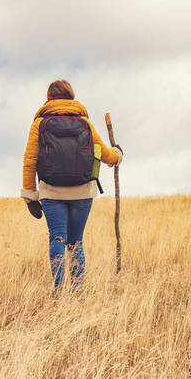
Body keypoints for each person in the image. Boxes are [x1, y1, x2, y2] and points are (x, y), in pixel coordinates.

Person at [21, 80, 123, 290]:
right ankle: (78, 291)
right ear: (72, 96)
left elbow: (30, 161)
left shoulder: (39, 124)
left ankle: (58, 290)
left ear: (49, 98)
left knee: (57, 238)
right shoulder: (84, 122)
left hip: (51, 191)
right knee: (76, 242)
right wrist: (118, 156)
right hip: (83, 191)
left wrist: (30, 196)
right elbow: (105, 154)